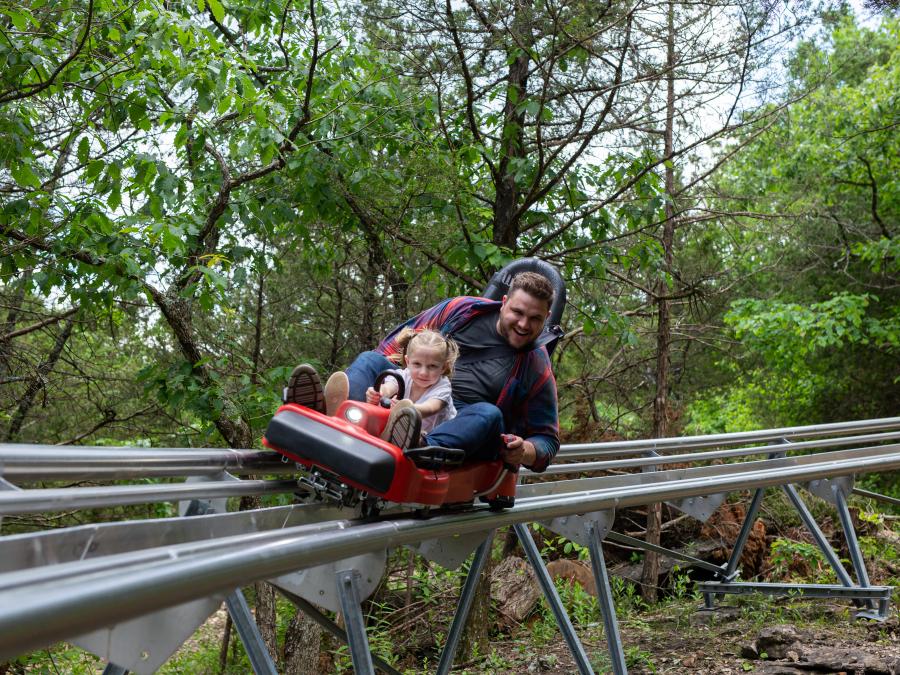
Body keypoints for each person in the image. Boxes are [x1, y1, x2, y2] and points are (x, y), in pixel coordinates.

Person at [285, 270, 559, 472]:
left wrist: (524, 451)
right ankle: (329, 417)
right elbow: (400, 346)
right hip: (413, 394)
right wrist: (384, 386)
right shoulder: (462, 311)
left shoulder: (536, 364)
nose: (524, 324)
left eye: (535, 319)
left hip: (461, 424)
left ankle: (416, 443)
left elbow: (547, 441)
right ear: (503, 303)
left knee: (489, 414)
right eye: (518, 313)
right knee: (371, 359)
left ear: (546, 319)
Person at [364, 328, 458, 441]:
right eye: (417, 364)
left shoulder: (442, 386)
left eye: (432, 366)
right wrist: (378, 393)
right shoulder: (404, 375)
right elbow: (389, 387)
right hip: (400, 428)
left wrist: (405, 408)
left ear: (443, 367)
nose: (423, 373)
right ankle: (344, 411)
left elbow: (430, 408)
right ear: (408, 362)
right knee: (379, 405)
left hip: (427, 437)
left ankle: (401, 437)